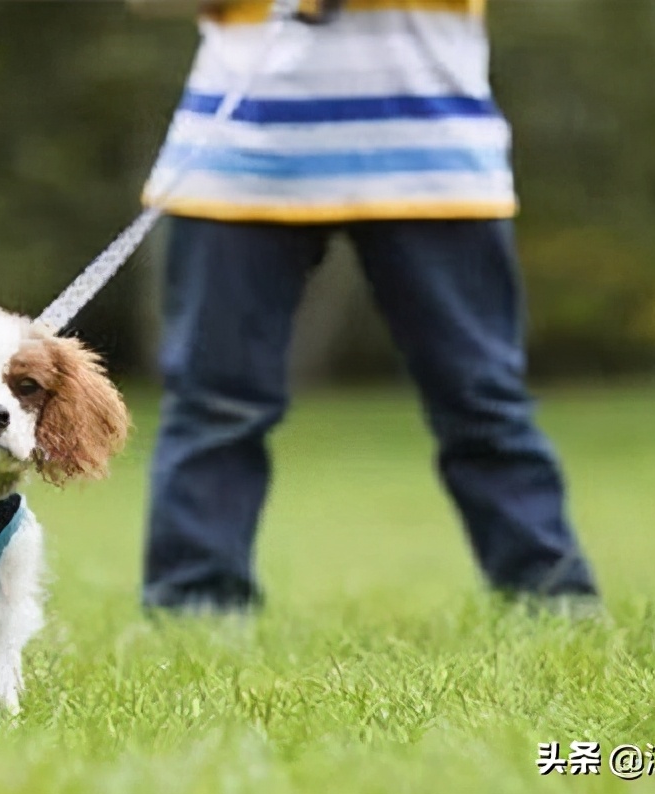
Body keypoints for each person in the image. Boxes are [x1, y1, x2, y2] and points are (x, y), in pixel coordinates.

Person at [132, 0, 600, 614]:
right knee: (212, 404)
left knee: (481, 400)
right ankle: (194, 604)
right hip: (238, 160)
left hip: (434, 163)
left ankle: (551, 596)